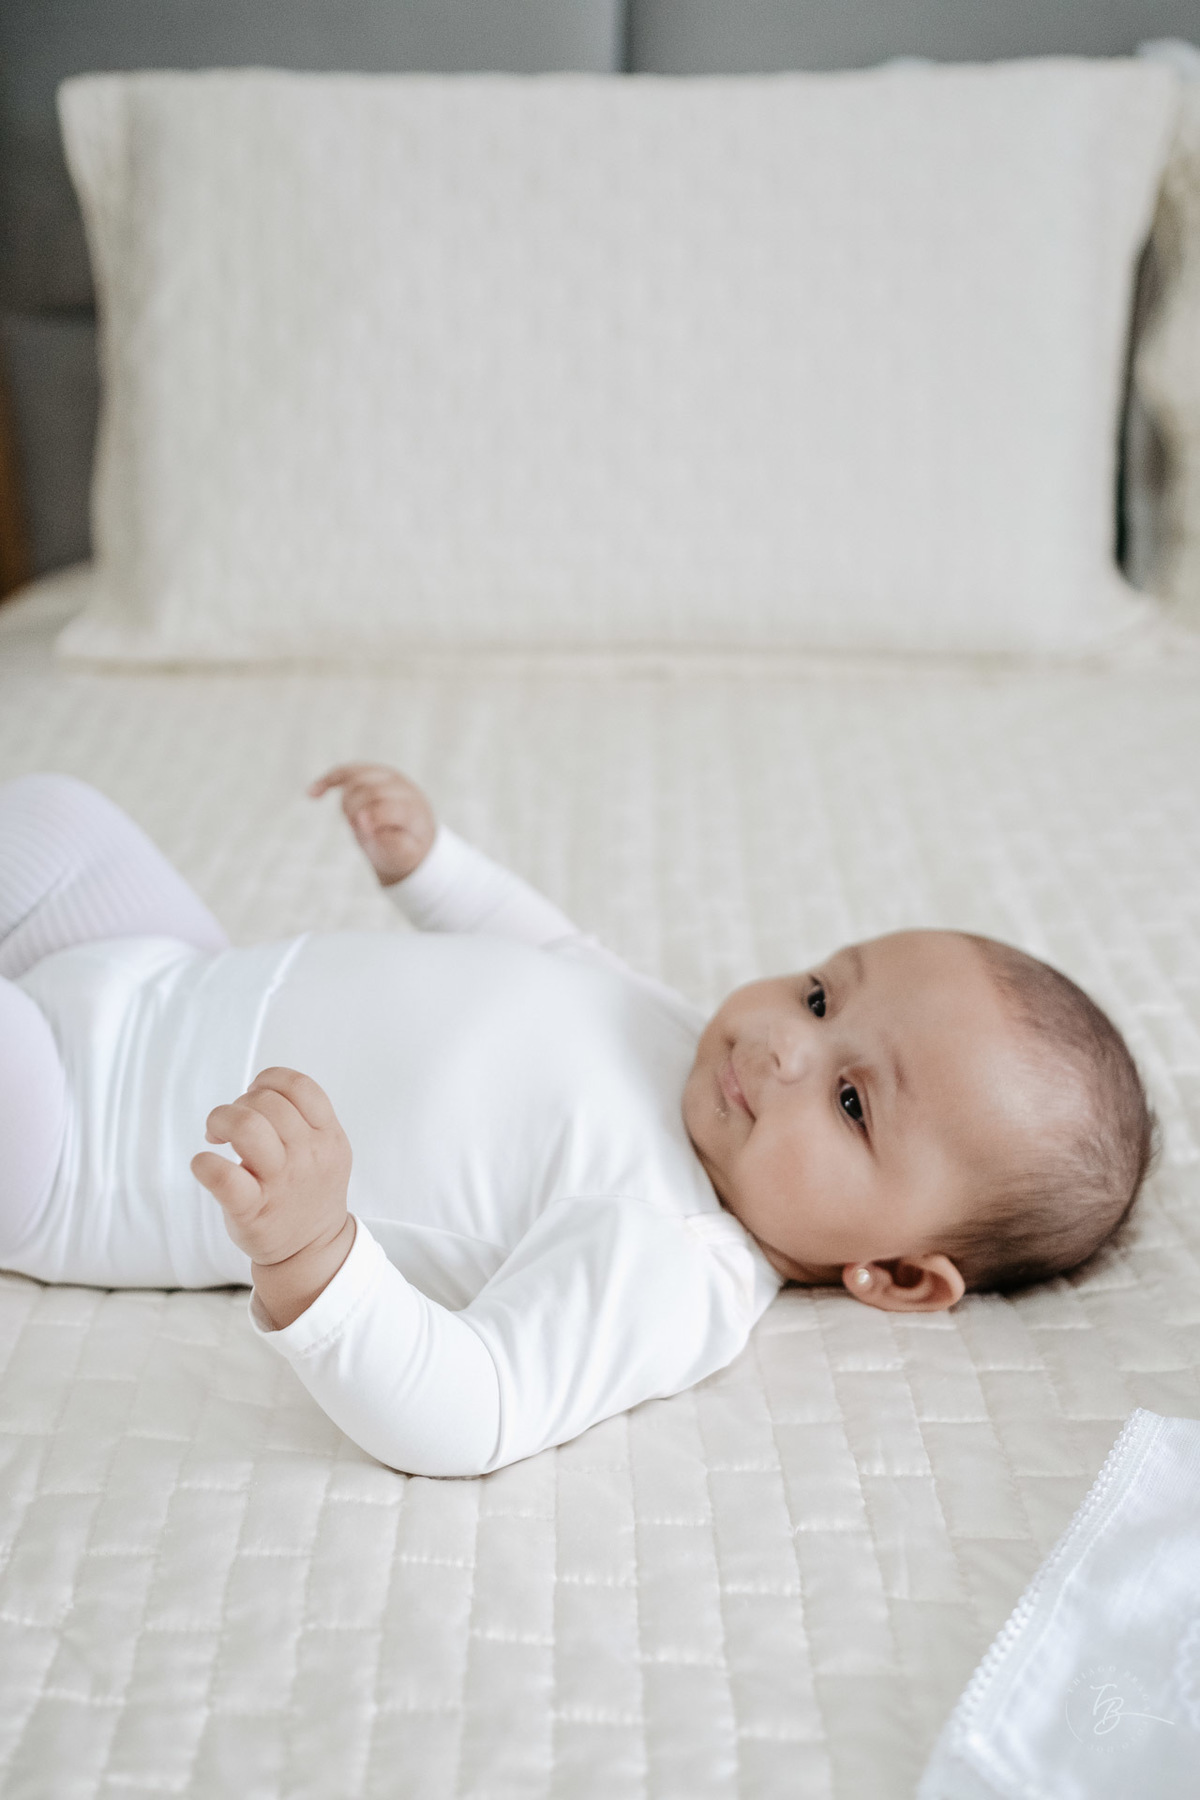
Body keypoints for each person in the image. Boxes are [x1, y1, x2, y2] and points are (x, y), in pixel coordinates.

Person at [0, 767, 1154, 1477]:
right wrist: (433, 870)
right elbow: (547, 952)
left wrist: (313, 1250)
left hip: (88, 1142)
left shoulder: (673, 1258)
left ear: (896, 1275)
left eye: (851, 1102)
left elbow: (474, 1408)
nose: (783, 1046)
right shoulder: (695, 1048)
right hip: (166, 977)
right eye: (818, 992)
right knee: (60, 818)